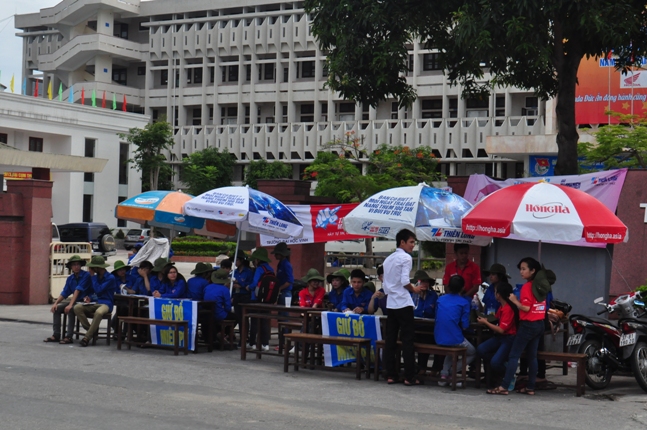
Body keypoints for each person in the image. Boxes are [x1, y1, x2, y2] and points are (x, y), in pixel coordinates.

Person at [491, 257, 546, 395]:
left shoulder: (527, 287)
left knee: (514, 356)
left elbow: (526, 308)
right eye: (520, 269)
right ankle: (530, 387)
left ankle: (504, 386)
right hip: (540, 323)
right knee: (532, 357)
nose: (521, 272)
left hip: (528, 324)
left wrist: (515, 300)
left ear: (533, 270)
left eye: (524, 269)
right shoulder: (541, 286)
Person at [383, 229, 422, 386]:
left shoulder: (388, 259)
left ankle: (391, 374)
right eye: (411, 242)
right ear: (402, 242)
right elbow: (405, 280)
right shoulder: (405, 258)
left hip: (391, 302)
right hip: (403, 303)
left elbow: (386, 284)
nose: (413, 245)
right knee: (407, 340)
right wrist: (414, 289)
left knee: (390, 340)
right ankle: (409, 376)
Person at [435, 275, 475, 387]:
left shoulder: (440, 299)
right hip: (455, 338)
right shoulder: (464, 302)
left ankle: (444, 374)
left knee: (451, 350)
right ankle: (452, 371)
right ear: (463, 288)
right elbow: (465, 325)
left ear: (448, 286)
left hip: (439, 337)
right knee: (472, 352)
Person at [477, 282, 519, 390]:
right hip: (499, 337)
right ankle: (500, 362)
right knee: (481, 349)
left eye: (495, 292)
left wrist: (486, 323)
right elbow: (496, 319)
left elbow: (501, 329)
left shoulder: (509, 309)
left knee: (495, 362)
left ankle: (508, 373)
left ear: (499, 295)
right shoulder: (502, 306)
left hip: (508, 338)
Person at [44, 255, 92, 344]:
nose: (76, 267)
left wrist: (70, 305)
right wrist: (56, 303)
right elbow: (65, 292)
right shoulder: (70, 278)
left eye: (78, 264)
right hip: (74, 301)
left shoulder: (86, 275)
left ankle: (69, 336)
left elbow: (78, 289)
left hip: (84, 301)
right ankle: (56, 334)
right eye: (74, 265)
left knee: (71, 310)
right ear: (71, 267)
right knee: (57, 309)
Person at [73, 256, 117, 347]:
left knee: (99, 312)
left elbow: (98, 289)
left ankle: (87, 337)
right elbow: (92, 291)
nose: (91, 269)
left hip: (106, 303)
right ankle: (91, 330)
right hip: (96, 301)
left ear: (98, 267)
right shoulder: (95, 277)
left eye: (93, 267)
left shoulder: (110, 278)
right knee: (77, 307)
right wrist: (89, 298)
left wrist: (92, 276)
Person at [410, 269, 440, 375]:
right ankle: (418, 367)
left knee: (432, 338)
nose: (424, 284)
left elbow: (434, 311)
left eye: (426, 282)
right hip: (414, 326)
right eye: (421, 282)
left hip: (429, 326)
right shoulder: (411, 294)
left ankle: (433, 369)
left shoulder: (433, 295)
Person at [249, 248, 274, 350]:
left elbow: (254, 284)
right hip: (268, 298)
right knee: (265, 320)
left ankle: (252, 343)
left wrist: (248, 287)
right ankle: (265, 343)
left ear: (257, 260)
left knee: (254, 320)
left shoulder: (259, 269)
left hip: (256, 298)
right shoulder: (270, 269)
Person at [204, 269, 236, 345]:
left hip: (207, 314)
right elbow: (228, 307)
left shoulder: (207, 287)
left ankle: (219, 333)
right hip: (219, 314)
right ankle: (223, 333)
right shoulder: (225, 290)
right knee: (236, 317)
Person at [272, 242, 294, 307]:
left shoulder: (286, 265)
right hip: (281, 292)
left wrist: (279, 288)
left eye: (276, 254)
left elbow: (290, 281)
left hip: (285, 293)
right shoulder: (280, 264)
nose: (275, 255)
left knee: (284, 314)